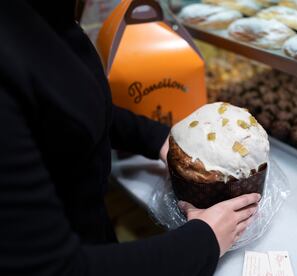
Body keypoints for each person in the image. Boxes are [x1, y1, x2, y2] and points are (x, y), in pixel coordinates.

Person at [0, 1, 260, 275]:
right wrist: (205, 240)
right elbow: (55, 268)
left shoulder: (45, 13)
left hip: (96, 230)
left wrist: (160, 139)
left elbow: (67, 109)